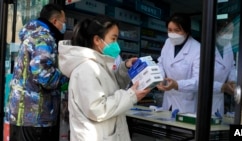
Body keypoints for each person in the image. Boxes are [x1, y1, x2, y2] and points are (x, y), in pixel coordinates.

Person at [58, 15, 151, 141]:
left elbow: (111, 87)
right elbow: (97, 109)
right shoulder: (86, 69)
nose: (116, 45)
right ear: (97, 40)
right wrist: (131, 95)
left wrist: (125, 68)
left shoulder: (99, 64)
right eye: (113, 39)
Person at [7, 3, 68, 141]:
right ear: (54, 21)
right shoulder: (43, 38)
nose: (63, 26)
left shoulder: (32, 35)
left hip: (22, 113)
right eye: (63, 22)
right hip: (35, 117)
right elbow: (45, 76)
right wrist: (67, 78)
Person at [156, 13, 201, 113]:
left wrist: (177, 85)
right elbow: (161, 63)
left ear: (186, 30)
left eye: (177, 30)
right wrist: (160, 77)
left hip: (186, 104)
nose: (172, 34)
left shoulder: (197, 49)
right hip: (168, 101)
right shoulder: (168, 42)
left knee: (182, 128)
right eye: (170, 30)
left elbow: (199, 81)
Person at [212, 20, 236, 116]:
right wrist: (222, 86)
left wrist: (232, 81)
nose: (230, 35)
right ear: (219, 31)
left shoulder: (228, 45)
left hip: (219, 99)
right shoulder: (205, 46)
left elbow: (231, 66)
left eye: (231, 32)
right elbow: (200, 79)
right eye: (227, 31)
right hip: (204, 98)